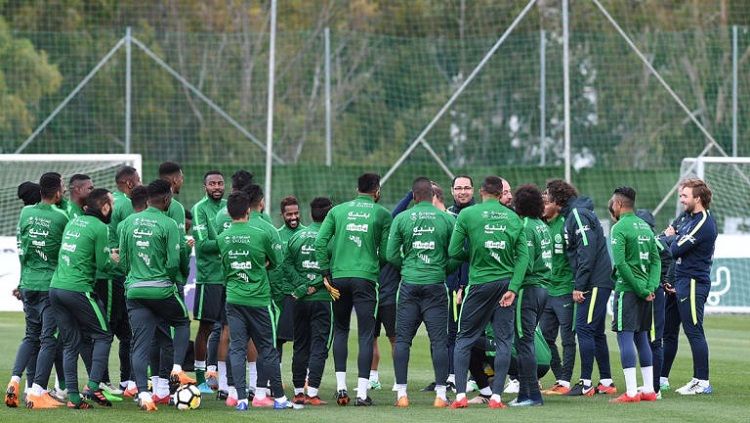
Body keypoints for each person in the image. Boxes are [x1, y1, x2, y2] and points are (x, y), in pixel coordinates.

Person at [448, 176, 529, 409]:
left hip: (479, 284)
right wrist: (514, 288)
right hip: (505, 285)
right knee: (504, 341)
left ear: (481, 192)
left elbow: (454, 251)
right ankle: (495, 398)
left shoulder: (467, 215)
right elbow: (523, 257)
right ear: (500, 193)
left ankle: (461, 396)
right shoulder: (513, 218)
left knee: (464, 338)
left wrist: (473, 254)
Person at [314, 173, 392, 406]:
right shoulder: (382, 213)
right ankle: (361, 394)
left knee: (340, 330)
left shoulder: (337, 211)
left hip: (338, 277)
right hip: (365, 278)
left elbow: (320, 242)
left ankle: (340, 388)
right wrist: (375, 267)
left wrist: (326, 272)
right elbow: (388, 254)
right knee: (366, 334)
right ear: (376, 190)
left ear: (357, 189)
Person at [219, 190, 300, 411]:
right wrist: (260, 266)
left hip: (234, 299)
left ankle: (241, 398)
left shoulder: (222, 238)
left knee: (237, 348)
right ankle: (281, 399)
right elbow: (277, 261)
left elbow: (225, 267)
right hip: (259, 300)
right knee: (268, 348)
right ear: (248, 211)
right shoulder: (261, 234)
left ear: (228, 212)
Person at [118, 179, 192, 411]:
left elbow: (123, 262)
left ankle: (143, 393)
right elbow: (173, 263)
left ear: (148, 198)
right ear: (168, 198)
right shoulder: (169, 223)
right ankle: (178, 368)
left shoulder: (127, 223)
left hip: (135, 290)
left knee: (140, 344)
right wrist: (173, 276)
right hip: (161, 289)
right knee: (181, 321)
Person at [386, 177, 457, 408]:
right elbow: (456, 253)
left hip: (409, 284)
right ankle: (440, 396)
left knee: (403, 340)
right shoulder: (447, 219)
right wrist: (442, 269)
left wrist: (406, 267)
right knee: (439, 342)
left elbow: (390, 254)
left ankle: (402, 395)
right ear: (433, 196)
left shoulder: (402, 218)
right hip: (436, 285)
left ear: (414, 196)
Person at [49, 188, 119, 409]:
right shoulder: (100, 227)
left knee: (71, 344)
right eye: (112, 204)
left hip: (56, 287)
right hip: (78, 289)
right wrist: (117, 259)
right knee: (104, 335)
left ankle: (74, 398)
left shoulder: (74, 222)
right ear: (105, 207)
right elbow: (104, 266)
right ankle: (92, 385)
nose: (113, 208)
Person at [545, 179, 615, 397]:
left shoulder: (577, 214)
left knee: (583, 329)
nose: (545, 200)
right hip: (598, 281)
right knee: (595, 332)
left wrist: (579, 285)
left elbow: (587, 250)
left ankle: (585, 383)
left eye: (548, 196)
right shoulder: (574, 214)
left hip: (594, 282)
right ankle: (606, 381)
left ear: (557, 199)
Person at [6, 174, 69, 409]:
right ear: (58, 192)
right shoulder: (62, 217)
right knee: (48, 340)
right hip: (49, 285)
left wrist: (21, 282)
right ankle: (37, 392)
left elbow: (24, 251)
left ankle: (14, 381)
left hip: (28, 284)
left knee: (30, 336)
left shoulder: (25, 214)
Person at [663, 178, 717, 395]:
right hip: (680, 282)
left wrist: (673, 238)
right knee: (669, 332)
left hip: (694, 283)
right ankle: (661, 378)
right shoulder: (687, 217)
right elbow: (666, 236)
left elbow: (674, 249)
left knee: (694, 331)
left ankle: (702, 381)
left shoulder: (704, 222)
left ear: (698, 198)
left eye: (685, 196)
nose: (681, 199)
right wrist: (672, 237)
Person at [608, 187, 661, 403]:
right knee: (642, 338)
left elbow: (620, 263)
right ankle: (648, 389)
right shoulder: (645, 227)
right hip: (645, 293)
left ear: (619, 204)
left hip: (628, 291)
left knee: (625, 337)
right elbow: (657, 260)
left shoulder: (619, 227)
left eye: (612, 202)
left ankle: (631, 392)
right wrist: (650, 287)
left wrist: (639, 288)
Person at [96, 165, 142, 396]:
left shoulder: (118, 202)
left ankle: (126, 382)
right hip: (115, 276)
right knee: (109, 329)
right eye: (139, 179)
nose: (141, 183)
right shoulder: (125, 205)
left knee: (127, 332)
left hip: (118, 276)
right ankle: (102, 381)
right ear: (130, 183)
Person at [284, 197, 335, 406]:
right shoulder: (331, 239)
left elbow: (285, 265)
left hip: (300, 300)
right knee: (319, 346)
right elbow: (333, 271)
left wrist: (302, 286)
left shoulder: (297, 237)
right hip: (322, 299)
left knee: (300, 345)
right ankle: (312, 392)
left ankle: (297, 392)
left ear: (311, 213)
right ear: (329, 214)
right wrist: (314, 284)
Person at [509, 184, 552, 407]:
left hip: (528, 289)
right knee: (527, 341)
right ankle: (528, 393)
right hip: (544, 288)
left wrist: (512, 286)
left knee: (523, 342)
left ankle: (530, 395)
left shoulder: (524, 226)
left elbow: (525, 261)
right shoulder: (541, 226)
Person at [191, 171, 227, 394]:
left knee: (228, 329)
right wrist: (229, 240)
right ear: (205, 186)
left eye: (220, 183)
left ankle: (223, 381)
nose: (217, 186)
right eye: (212, 183)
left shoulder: (228, 207)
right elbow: (202, 244)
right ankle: (199, 378)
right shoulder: (199, 209)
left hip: (230, 277)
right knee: (205, 327)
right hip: (209, 278)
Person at [539, 188, 576, 395]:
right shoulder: (542, 226)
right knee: (546, 338)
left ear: (556, 204)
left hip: (565, 289)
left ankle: (565, 380)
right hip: (547, 290)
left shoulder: (566, 224)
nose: (543, 206)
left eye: (546, 202)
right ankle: (560, 376)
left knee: (568, 338)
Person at [635, 208, 673, 399]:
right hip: (647, 293)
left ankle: (655, 388)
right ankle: (651, 384)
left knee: (654, 340)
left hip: (653, 294)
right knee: (647, 339)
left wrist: (660, 279)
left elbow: (666, 254)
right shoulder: (648, 238)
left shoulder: (650, 239)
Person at [274, 196, 306, 360]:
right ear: (282, 215)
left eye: (296, 213)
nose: (293, 217)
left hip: (305, 294)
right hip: (283, 295)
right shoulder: (276, 235)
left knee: (304, 337)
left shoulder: (307, 234)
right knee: (278, 338)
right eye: (289, 214)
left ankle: (304, 378)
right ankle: (276, 377)